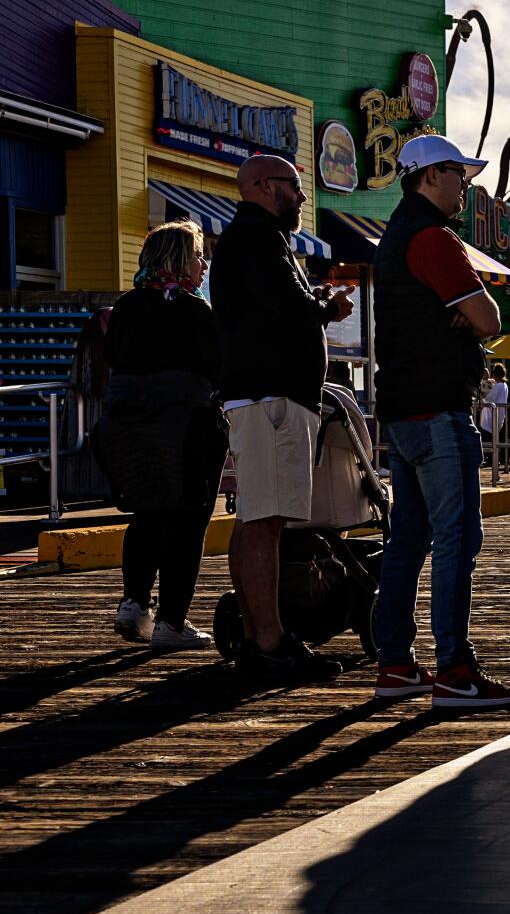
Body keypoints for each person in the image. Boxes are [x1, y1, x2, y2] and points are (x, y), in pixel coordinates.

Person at [369, 133, 510, 709]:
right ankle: (455, 670)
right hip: (439, 409)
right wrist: (465, 314)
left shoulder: (394, 236)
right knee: (457, 538)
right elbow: (487, 318)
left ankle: (395, 663)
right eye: (460, 174)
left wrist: (461, 314)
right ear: (432, 175)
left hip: (403, 409)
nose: (468, 185)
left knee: (408, 539)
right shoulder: (435, 238)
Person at [210, 153, 351, 680]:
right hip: (271, 402)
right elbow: (289, 307)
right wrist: (328, 310)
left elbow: (273, 304)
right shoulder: (257, 238)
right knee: (264, 522)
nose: (301, 197)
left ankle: (256, 636)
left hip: (263, 399)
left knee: (255, 520)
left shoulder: (251, 240)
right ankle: (269, 641)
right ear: (266, 187)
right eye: (295, 187)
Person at [98, 220, 226, 650]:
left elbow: (112, 358)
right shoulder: (193, 310)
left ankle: (134, 602)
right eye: (197, 255)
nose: (203, 263)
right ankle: (172, 621)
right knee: (188, 520)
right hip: (185, 425)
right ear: (178, 259)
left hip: (126, 425)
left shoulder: (127, 306)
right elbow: (217, 369)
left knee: (147, 512)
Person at [480, 360, 509, 450]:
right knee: (495, 437)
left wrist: (482, 395)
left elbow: (489, 398)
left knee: (488, 438)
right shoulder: (504, 385)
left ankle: (491, 457)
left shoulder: (498, 386)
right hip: (499, 414)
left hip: (491, 416)